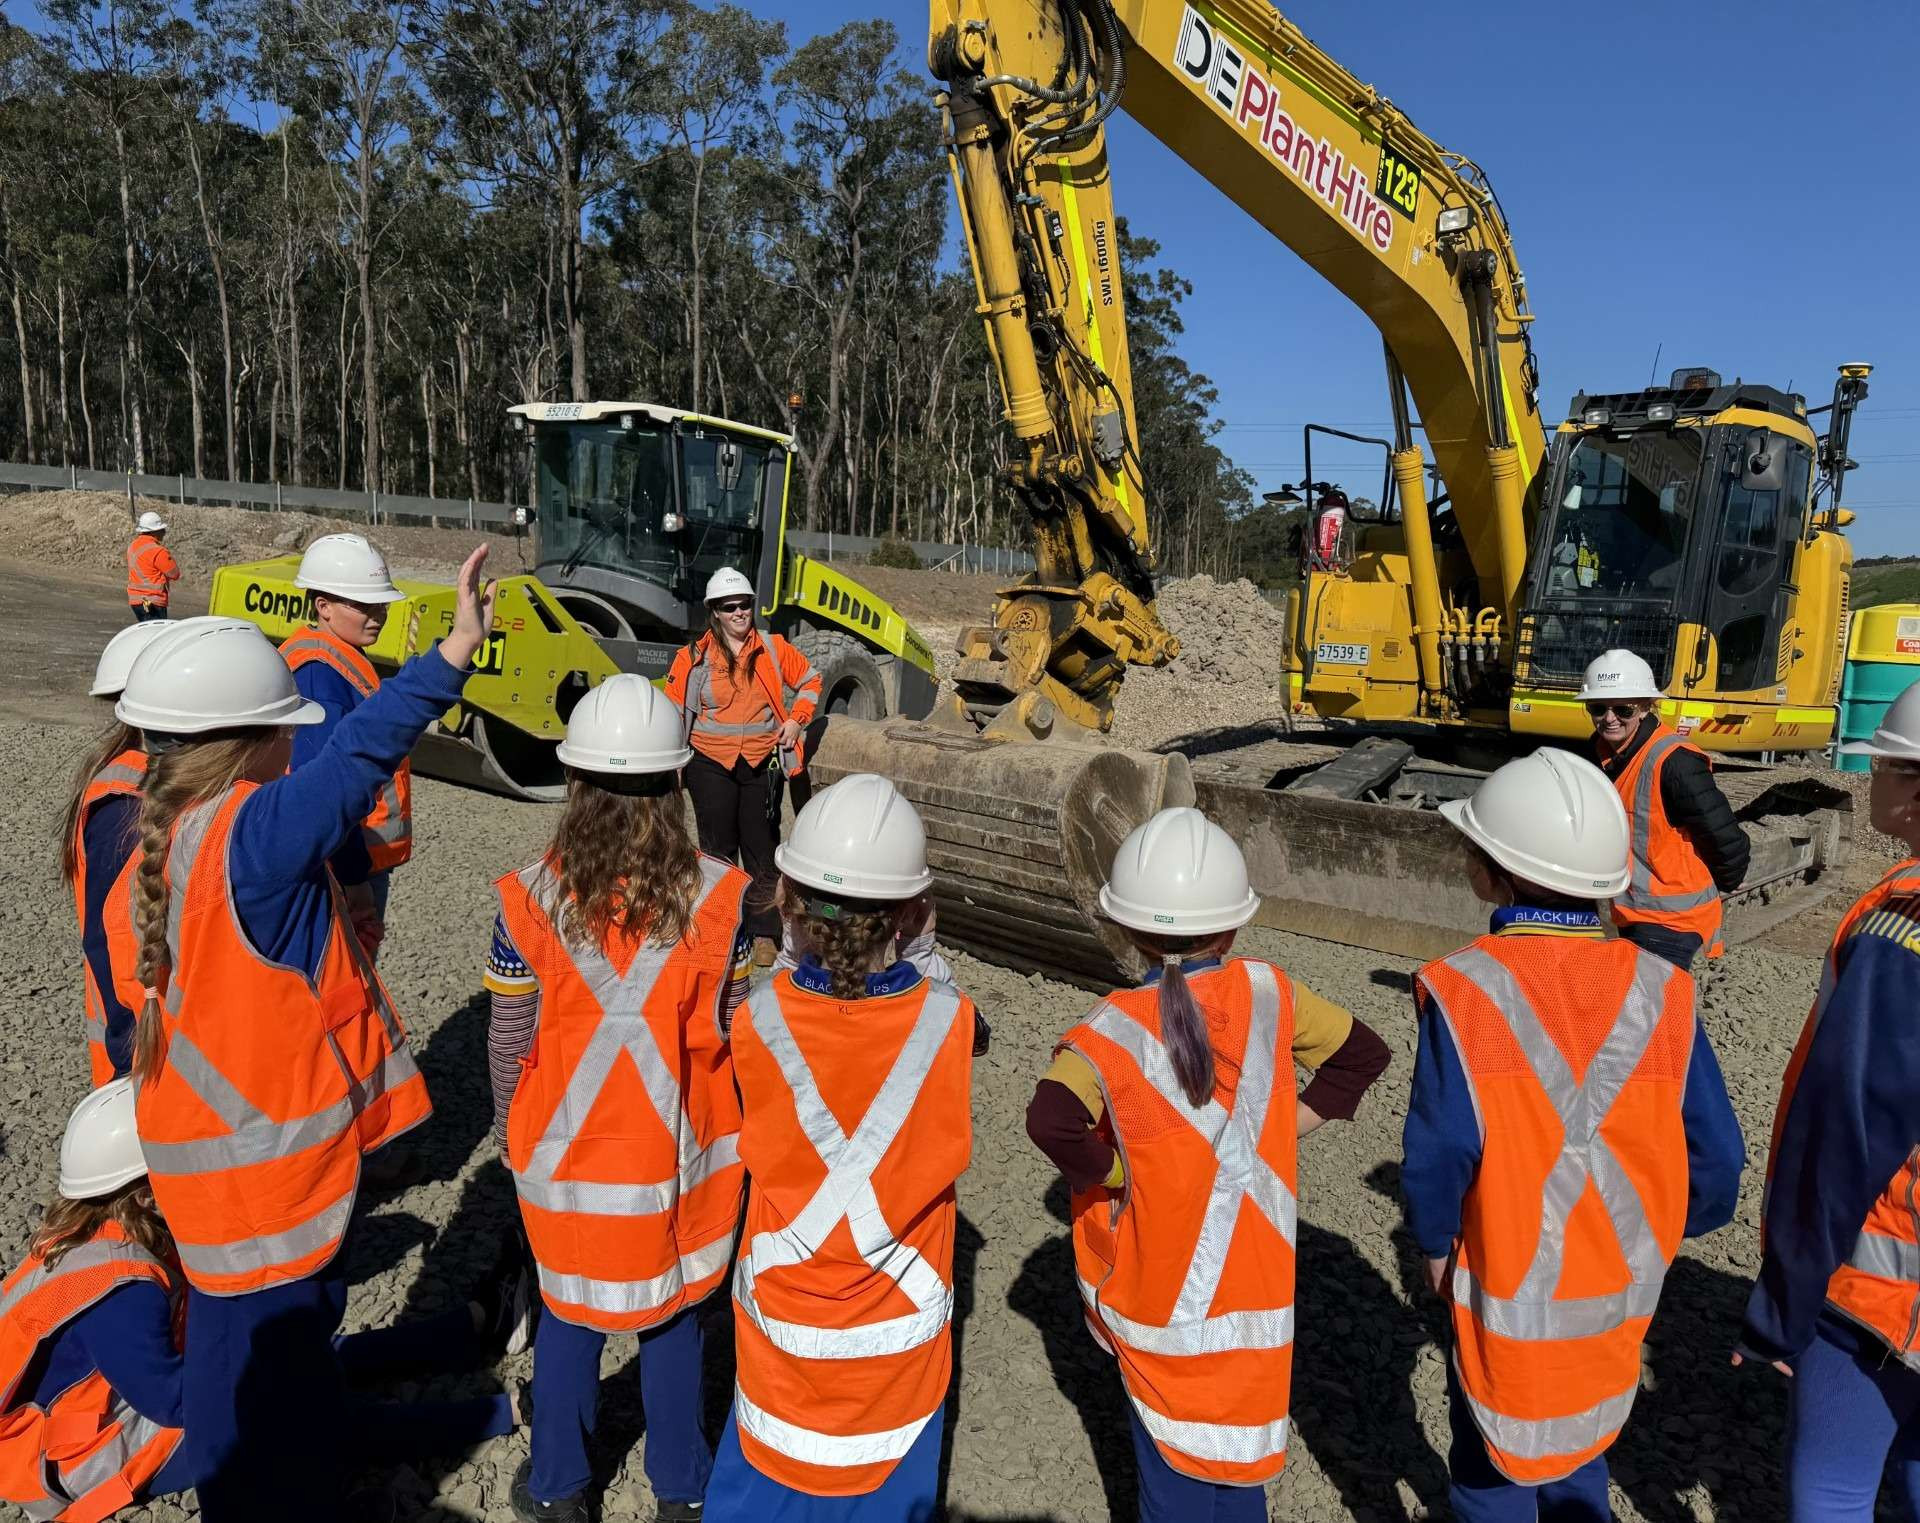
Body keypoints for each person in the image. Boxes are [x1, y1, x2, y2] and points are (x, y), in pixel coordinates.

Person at [100, 546, 496, 1523]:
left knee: (245, 1382)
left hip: (202, 1179)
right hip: (273, 1192)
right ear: (251, 744)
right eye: (287, 729)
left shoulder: (172, 831)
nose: (299, 742)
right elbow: (360, 753)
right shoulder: (256, 837)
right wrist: (451, 654)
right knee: (272, 1408)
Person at [1402, 748, 1744, 1522]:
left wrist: (1431, 1243)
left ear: (1492, 871)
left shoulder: (1467, 988)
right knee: (1580, 1458)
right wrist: (1659, 1226)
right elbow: (1718, 1163)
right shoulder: (1665, 990)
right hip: (1620, 1297)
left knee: (1490, 1471)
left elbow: (1440, 1155)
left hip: (1508, 1302)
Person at [1025, 806, 1391, 1521]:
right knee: (1235, 1476)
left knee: (1175, 1483)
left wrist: (1117, 1174)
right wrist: (1282, 1129)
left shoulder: (1108, 1029)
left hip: (1161, 1308)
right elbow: (1362, 1056)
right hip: (1257, 1306)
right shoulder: (1271, 993)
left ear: (1126, 929)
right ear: (1234, 922)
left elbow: (1051, 1120)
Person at [0, 1082, 522, 1523]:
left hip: (115, 1408)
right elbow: (178, 1402)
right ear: (143, 1193)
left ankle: (464, 1331)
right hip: (84, 1454)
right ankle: (506, 1412)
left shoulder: (92, 1236)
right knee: (302, 1422)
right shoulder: (123, 1291)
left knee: (298, 1359)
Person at [486, 674, 752, 1523]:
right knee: (674, 1316)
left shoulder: (527, 898)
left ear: (574, 783)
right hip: (679, 1158)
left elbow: (507, 1039)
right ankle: (683, 1485)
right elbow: (739, 1028)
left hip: (564, 1159)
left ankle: (561, 1486)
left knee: (568, 1313)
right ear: (678, 783)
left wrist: (508, 1136)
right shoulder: (721, 897)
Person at [704, 773, 977, 1521]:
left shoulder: (757, 1021)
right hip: (897, 1355)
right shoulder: (951, 1024)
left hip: (783, 1334)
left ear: (787, 904)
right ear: (916, 911)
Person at [1738, 678, 1920, 1521]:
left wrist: (1782, 1302)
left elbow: (1841, 1126)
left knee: (1834, 1488)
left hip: (1883, 1291)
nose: (1871, 780)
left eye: (1883, 766)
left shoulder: (1898, 928)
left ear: (1914, 786)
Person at [664, 566, 823, 968]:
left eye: (745, 605)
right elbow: (670, 710)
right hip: (709, 763)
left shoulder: (772, 648)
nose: (739, 612)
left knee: (763, 850)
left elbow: (811, 680)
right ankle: (722, 930)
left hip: (759, 763)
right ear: (714, 611)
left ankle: (764, 933)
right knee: (717, 851)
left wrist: (796, 720)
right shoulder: (693, 657)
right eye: (729, 606)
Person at [57, 620, 181, 1083]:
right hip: (142, 1055)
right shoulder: (127, 802)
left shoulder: (141, 781)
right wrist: (132, 1052)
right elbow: (117, 941)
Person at [280, 532, 414, 955]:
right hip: (343, 863)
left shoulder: (332, 657)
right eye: (364, 605)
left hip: (347, 858)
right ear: (323, 607)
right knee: (345, 977)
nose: (378, 615)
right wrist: (354, 877)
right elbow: (325, 793)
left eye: (382, 604)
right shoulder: (322, 675)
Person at [1580, 648, 1748, 967]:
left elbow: (1721, 832)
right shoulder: (1598, 754)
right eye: (1599, 708)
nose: (1609, 718)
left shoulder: (1675, 762)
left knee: (1652, 1011)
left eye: (1623, 709)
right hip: (1633, 912)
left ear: (1645, 707)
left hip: (1673, 921)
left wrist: (1731, 877)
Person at [125, 512, 180, 623]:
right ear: (154, 532)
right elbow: (174, 574)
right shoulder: (158, 551)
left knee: (146, 631)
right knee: (156, 635)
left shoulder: (132, 546)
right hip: (152, 601)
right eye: (162, 530)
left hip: (136, 600)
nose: (164, 533)